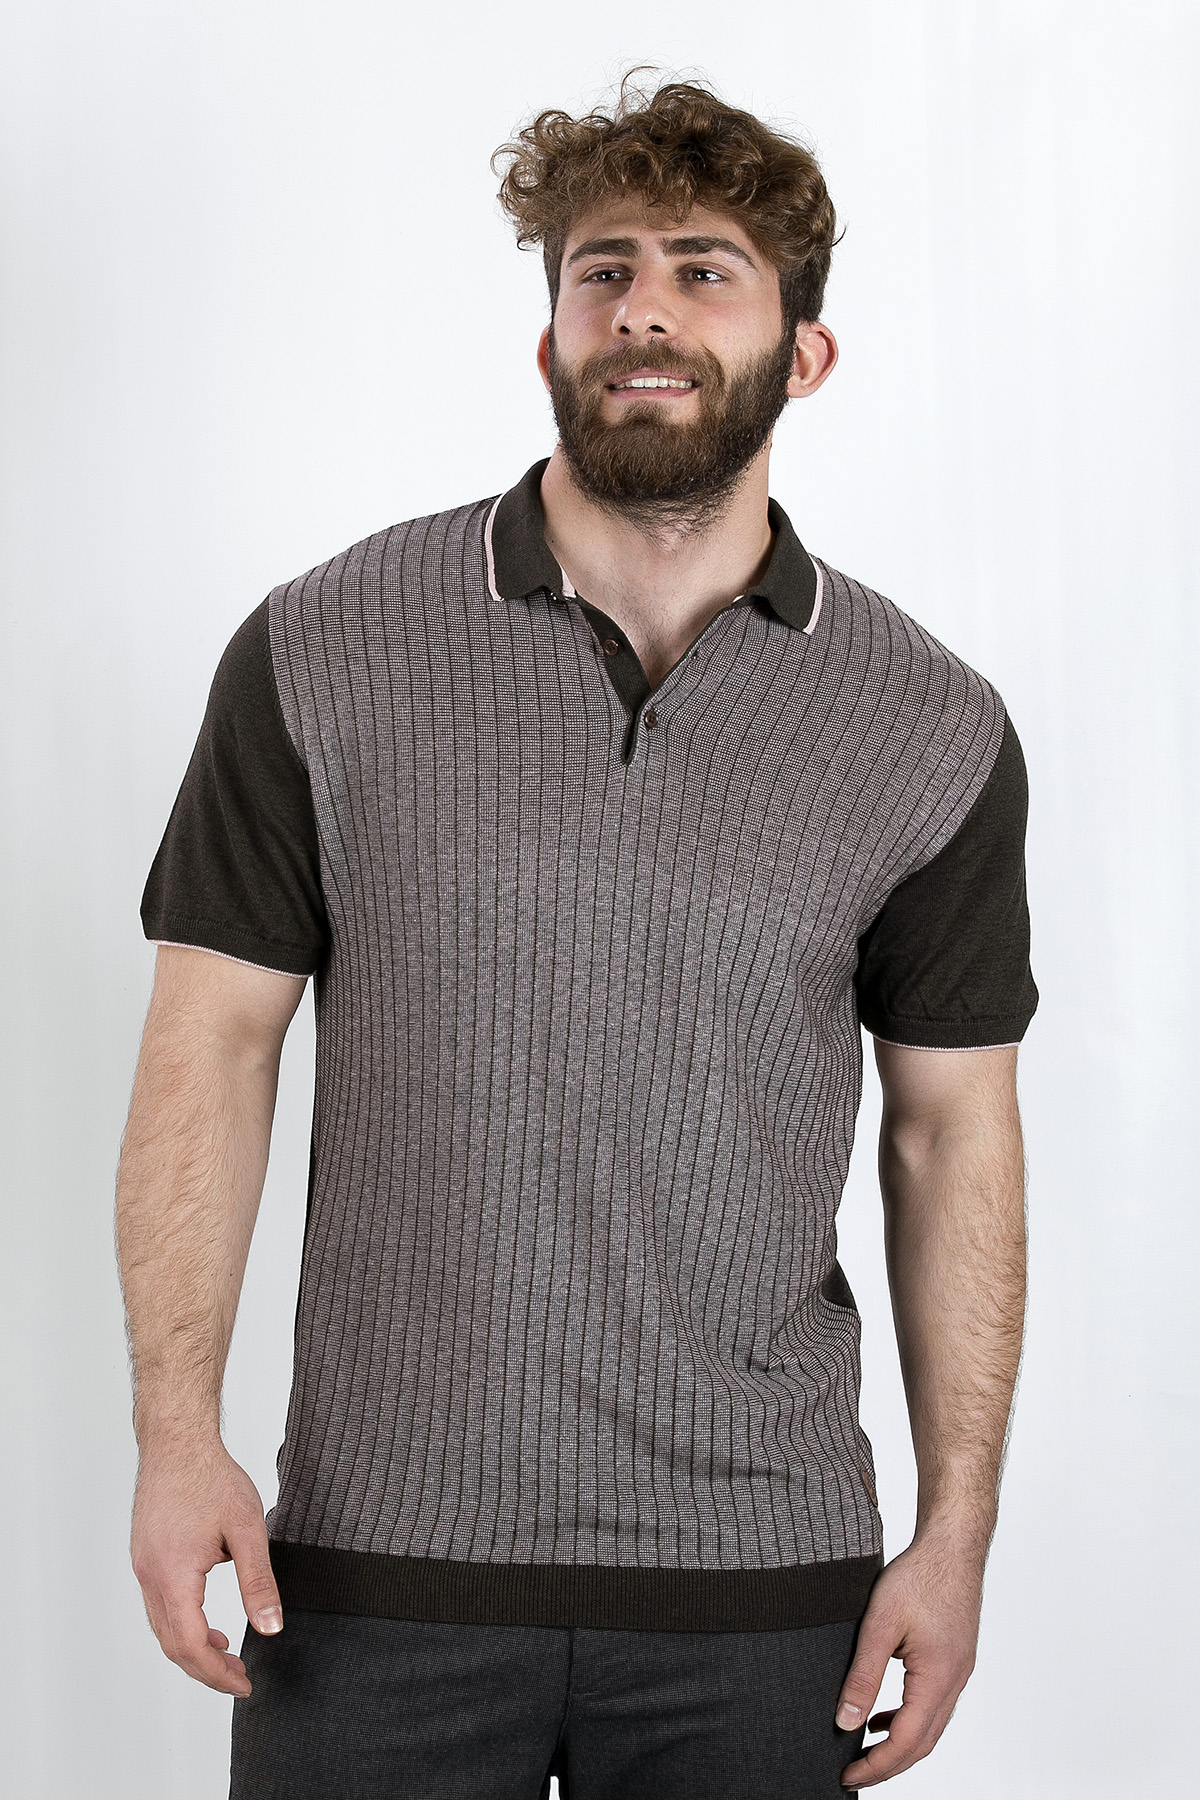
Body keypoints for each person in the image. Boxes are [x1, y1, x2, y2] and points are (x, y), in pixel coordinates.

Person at [116, 72, 1037, 1798]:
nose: (645, 310)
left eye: (706, 270)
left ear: (806, 354)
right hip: (374, 1572)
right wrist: (178, 1438)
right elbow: (211, 1044)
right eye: (603, 269)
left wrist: (956, 1531)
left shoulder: (930, 725)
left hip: (767, 1589)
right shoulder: (323, 649)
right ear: (550, 338)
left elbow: (952, 1132)